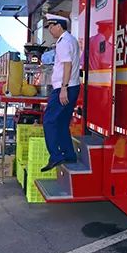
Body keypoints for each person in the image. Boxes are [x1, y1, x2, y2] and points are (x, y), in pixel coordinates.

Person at [40, 14, 81, 172]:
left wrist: (63, 87)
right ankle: (69, 154)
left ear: (59, 26)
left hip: (64, 88)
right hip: (73, 86)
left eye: (51, 26)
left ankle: (55, 155)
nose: (50, 29)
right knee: (63, 123)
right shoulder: (71, 40)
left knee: (49, 121)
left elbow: (67, 66)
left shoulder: (63, 42)